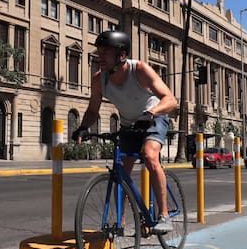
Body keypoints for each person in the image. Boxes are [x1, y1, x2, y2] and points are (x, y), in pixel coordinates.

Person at [72, 30, 178, 234]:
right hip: (129, 124)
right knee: (121, 172)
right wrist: (83, 128)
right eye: (99, 52)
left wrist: (152, 111)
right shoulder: (99, 80)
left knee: (149, 155)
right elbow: (93, 110)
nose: (99, 56)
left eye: (106, 52)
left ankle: (164, 215)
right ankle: (120, 223)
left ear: (121, 55)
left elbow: (171, 100)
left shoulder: (139, 70)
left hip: (154, 118)